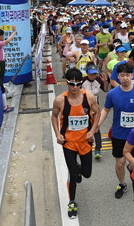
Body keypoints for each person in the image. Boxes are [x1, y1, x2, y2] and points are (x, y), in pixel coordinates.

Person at [51, 68, 101, 219]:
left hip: (85, 141)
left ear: (81, 84)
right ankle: (72, 201)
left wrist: (92, 131)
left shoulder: (90, 97)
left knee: (86, 174)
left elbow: (97, 113)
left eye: (78, 84)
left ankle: (79, 168)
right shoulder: (60, 100)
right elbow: (54, 117)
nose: (74, 87)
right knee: (73, 175)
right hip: (69, 143)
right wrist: (58, 133)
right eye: (71, 84)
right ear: (67, 83)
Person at [97, 63, 134, 199]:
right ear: (118, 77)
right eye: (122, 75)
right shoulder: (112, 94)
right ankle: (122, 183)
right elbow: (105, 110)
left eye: (127, 75)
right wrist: (97, 125)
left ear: (132, 76)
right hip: (118, 134)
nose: (125, 78)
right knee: (120, 163)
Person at [82, 62, 105, 159]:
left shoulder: (99, 80)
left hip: (96, 109)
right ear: (87, 73)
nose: (93, 76)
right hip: (84, 109)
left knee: (96, 128)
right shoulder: (82, 81)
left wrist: (105, 81)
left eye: (95, 74)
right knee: (85, 128)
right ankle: (85, 148)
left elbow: (106, 89)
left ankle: (98, 149)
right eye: (91, 74)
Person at [0, 27, 17, 113]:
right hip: (0, 63)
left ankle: (3, 104)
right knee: (1, 83)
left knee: (0, 82)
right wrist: (14, 32)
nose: (3, 37)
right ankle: (4, 107)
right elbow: (7, 41)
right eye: (2, 35)